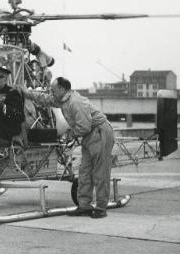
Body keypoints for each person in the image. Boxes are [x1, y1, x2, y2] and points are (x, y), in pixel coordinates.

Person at [20, 76, 115, 218]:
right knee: (84, 172)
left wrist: (70, 134)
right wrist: (28, 94)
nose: (51, 93)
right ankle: (84, 206)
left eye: (53, 90)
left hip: (99, 132)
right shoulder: (62, 100)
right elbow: (45, 99)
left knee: (100, 173)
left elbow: (84, 126)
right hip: (89, 135)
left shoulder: (76, 102)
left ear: (62, 89)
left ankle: (101, 208)